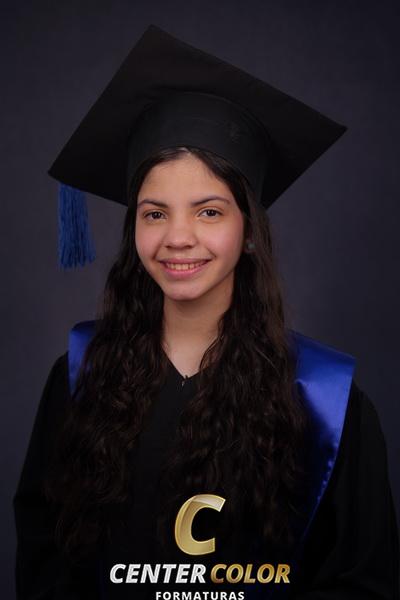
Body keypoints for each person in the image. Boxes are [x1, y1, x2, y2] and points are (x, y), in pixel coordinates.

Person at [13, 25, 399, 600]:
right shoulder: (80, 376)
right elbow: (46, 559)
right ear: (134, 227)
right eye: (154, 213)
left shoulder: (325, 399)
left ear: (250, 230)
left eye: (210, 211)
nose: (178, 237)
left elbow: (362, 582)